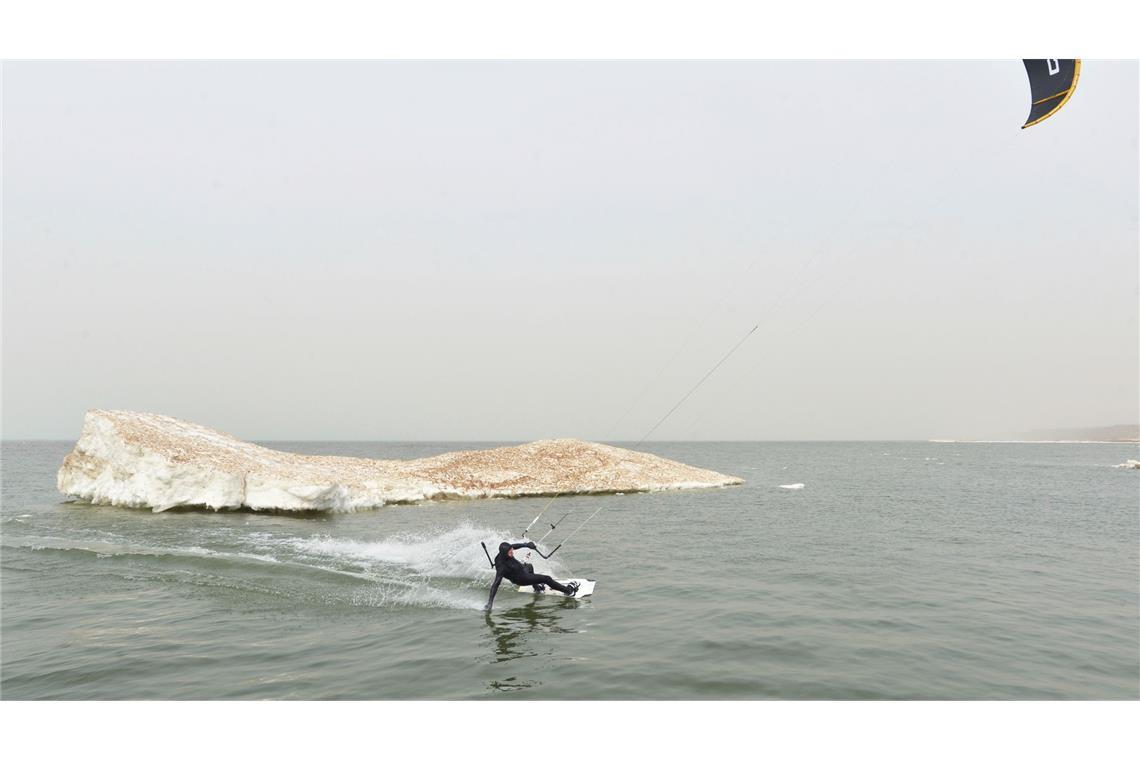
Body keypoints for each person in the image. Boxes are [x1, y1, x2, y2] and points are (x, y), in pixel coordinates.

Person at [484, 541, 579, 611]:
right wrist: (490, 602)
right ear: (505, 553)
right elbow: (496, 584)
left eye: (511, 550)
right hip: (522, 579)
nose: (512, 552)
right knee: (547, 579)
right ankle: (568, 591)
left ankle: (537, 588)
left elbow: (514, 546)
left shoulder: (503, 553)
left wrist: (526, 545)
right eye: (510, 552)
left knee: (529, 566)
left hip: (522, 571)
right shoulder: (502, 567)